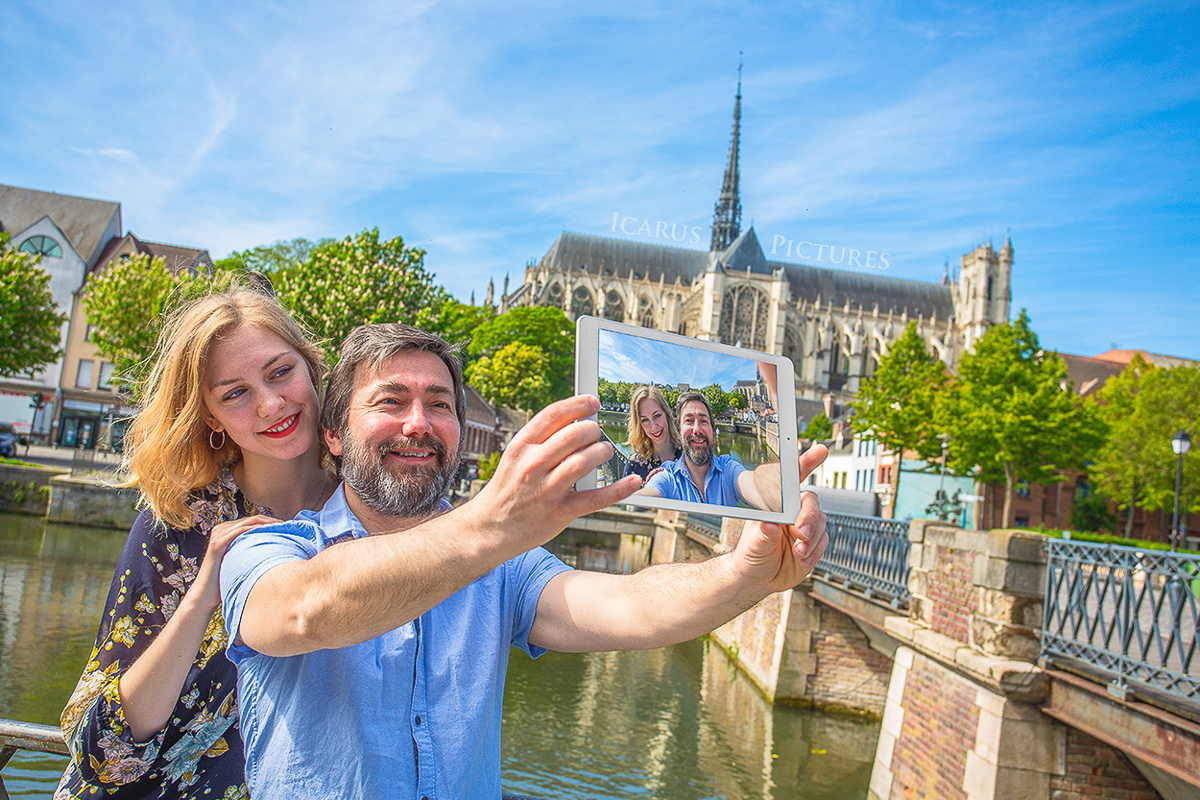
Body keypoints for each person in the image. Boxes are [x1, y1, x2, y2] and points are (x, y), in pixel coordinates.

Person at [220, 323, 828, 798]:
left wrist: (745, 573)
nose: (418, 423)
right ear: (333, 434)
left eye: (439, 404)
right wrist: (491, 523)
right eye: (391, 401)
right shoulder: (266, 550)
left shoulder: (501, 566)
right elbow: (309, 610)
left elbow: (631, 606)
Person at [56, 289, 337, 800]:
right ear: (211, 417)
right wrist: (203, 596)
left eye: (280, 372)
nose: (271, 404)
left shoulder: (369, 511)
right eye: (235, 393)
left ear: (311, 367)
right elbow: (102, 750)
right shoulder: (181, 520)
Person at [637, 391, 784, 509]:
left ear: (713, 431)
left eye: (703, 421)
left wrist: (781, 487)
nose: (697, 429)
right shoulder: (667, 476)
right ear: (680, 433)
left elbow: (753, 484)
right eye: (688, 421)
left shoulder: (728, 470)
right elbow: (650, 493)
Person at [622, 385, 681, 485]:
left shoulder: (687, 453)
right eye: (645, 420)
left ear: (667, 414)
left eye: (657, 416)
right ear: (639, 425)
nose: (653, 427)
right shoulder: (634, 464)